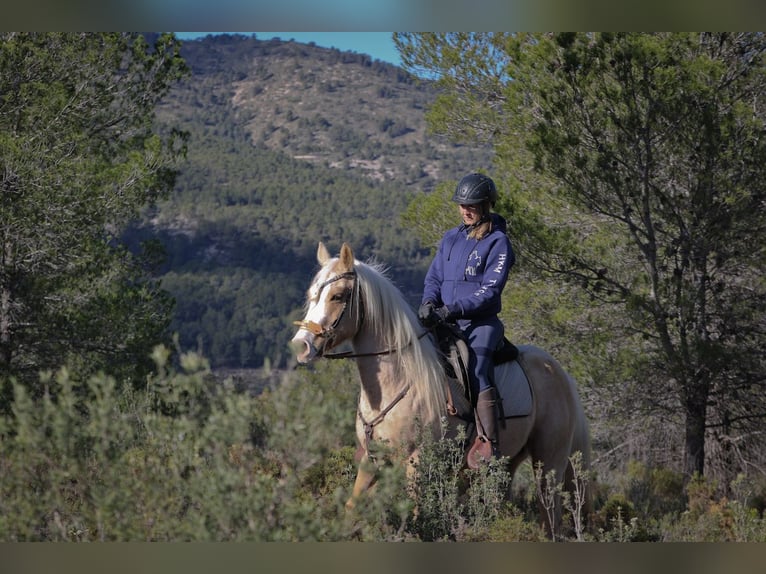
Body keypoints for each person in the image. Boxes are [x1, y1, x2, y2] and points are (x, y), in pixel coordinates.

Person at [418, 172, 515, 465]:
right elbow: (434, 276)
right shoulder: (450, 238)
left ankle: (488, 443)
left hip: (480, 323)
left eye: (471, 205)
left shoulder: (498, 243)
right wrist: (428, 302)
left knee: (477, 368)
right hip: (446, 321)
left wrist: (454, 309)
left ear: (486, 205)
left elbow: (490, 291)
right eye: (462, 205)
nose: (465, 210)